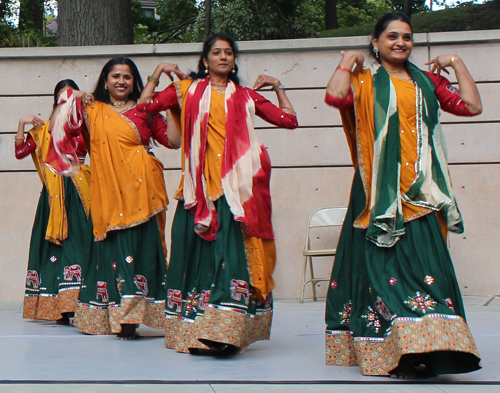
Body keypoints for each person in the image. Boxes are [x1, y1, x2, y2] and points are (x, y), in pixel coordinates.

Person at [323, 13, 482, 378]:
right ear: (376, 42)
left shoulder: (427, 82)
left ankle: (433, 346)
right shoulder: (363, 81)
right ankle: (399, 352)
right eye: (391, 36)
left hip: (422, 192)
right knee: (382, 272)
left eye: (407, 37)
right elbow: (334, 96)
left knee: (430, 275)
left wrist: (456, 62)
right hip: (378, 194)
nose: (400, 42)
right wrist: (348, 60)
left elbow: (472, 107)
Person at [137, 33, 298, 354]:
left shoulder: (247, 95)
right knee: (192, 260)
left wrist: (279, 86)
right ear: (205, 60)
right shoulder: (185, 91)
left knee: (230, 259)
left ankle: (227, 333)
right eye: (216, 52)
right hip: (196, 192)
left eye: (228, 53)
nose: (223, 57)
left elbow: (290, 120)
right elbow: (143, 109)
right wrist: (156, 73)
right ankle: (197, 331)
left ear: (234, 60)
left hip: (235, 194)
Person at [50, 57, 174, 339]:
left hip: (143, 190)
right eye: (115, 76)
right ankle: (117, 314)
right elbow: (62, 108)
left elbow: (172, 141)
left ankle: (134, 317)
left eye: (127, 77)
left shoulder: (146, 110)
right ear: (105, 80)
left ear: (134, 82)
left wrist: (174, 108)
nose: (121, 81)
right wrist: (79, 95)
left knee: (143, 249)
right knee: (112, 250)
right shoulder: (93, 109)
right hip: (108, 193)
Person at [15, 79, 92, 325]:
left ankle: (81, 301)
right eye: (62, 98)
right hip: (53, 196)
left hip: (80, 191)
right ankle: (58, 305)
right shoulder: (44, 130)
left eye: (71, 97)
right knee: (54, 249)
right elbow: (19, 153)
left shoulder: (84, 127)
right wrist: (21, 125)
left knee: (79, 244)